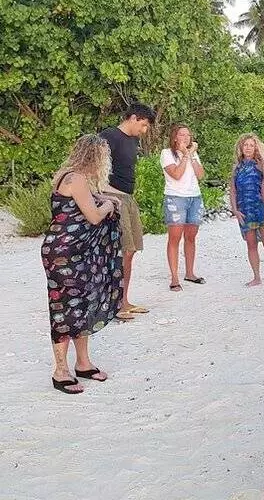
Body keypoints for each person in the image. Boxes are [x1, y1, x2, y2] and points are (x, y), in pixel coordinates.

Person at [42, 134, 123, 394]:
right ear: (95, 157)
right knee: (65, 308)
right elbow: (93, 215)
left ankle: (83, 363)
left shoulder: (72, 176)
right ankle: (60, 370)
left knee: (82, 303)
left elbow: (90, 198)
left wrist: (107, 198)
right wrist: (108, 206)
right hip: (64, 254)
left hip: (76, 252)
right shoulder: (75, 179)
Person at [99, 102, 155, 320]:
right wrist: (110, 196)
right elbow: (96, 171)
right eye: (143, 125)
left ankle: (124, 300)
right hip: (112, 198)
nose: (144, 130)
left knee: (131, 250)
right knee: (120, 251)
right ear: (133, 118)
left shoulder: (133, 140)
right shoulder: (108, 136)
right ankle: (114, 304)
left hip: (128, 198)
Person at [229, 133, 264, 288]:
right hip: (245, 209)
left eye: (251, 145)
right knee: (251, 244)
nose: (248, 148)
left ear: (256, 148)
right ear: (241, 147)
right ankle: (256, 277)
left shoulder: (261, 164)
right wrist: (235, 209)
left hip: (261, 208)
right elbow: (232, 190)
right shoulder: (237, 167)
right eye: (245, 145)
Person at [161, 123, 205, 291]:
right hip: (176, 197)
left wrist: (191, 155)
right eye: (182, 135)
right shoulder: (167, 154)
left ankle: (190, 272)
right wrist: (185, 155)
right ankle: (174, 277)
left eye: (188, 135)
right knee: (175, 238)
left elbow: (200, 175)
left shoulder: (193, 154)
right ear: (174, 137)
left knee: (191, 237)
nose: (186, 138)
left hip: (195, 197)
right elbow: (177, 175)